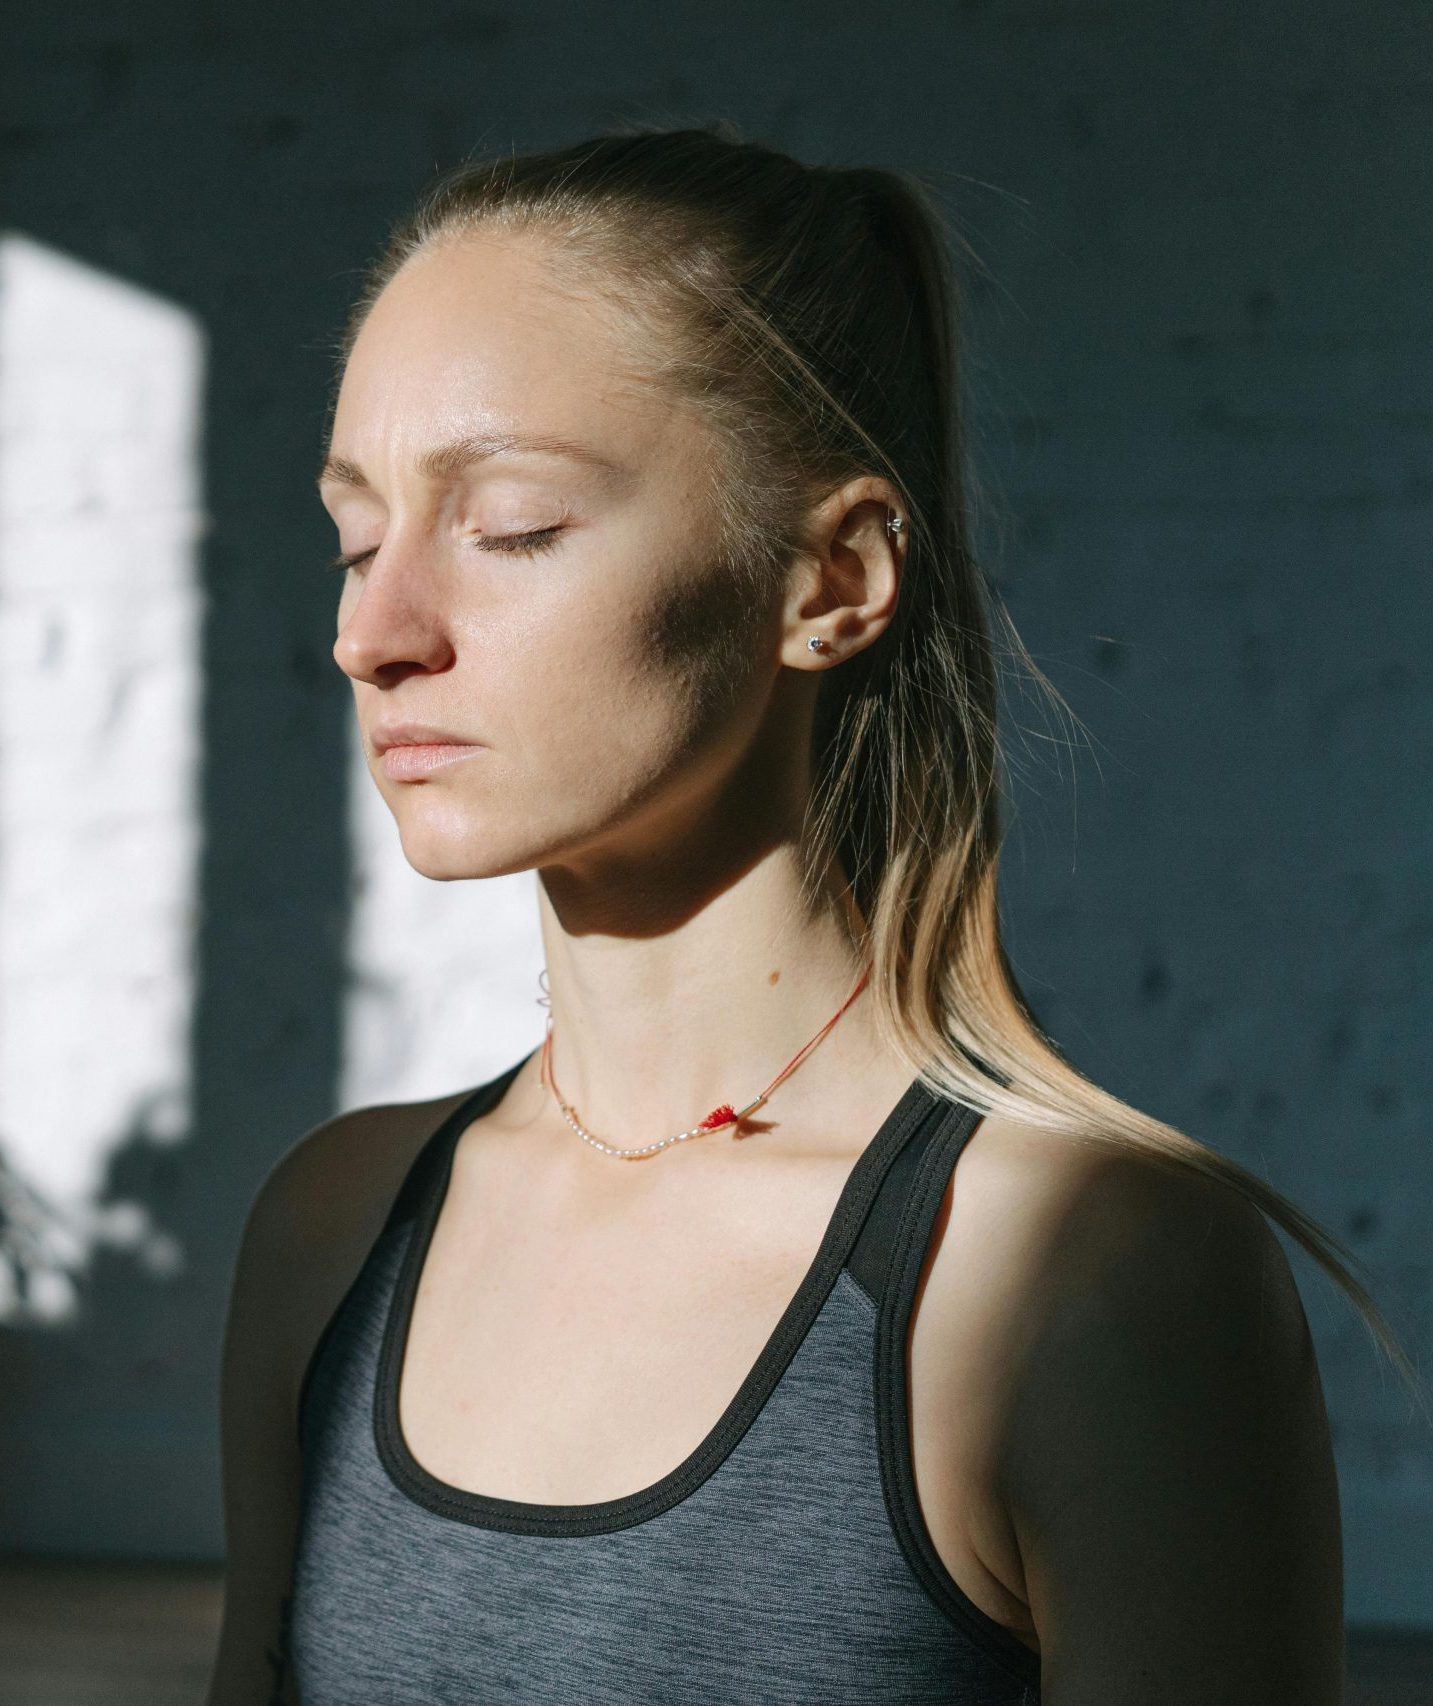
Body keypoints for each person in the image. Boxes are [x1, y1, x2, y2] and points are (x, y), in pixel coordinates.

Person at [205, 123, 1421, 1705]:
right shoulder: (336, 1228)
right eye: (356, 534)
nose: (375, 628)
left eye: (507, 525)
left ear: (831, 577)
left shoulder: (1084, 1273)